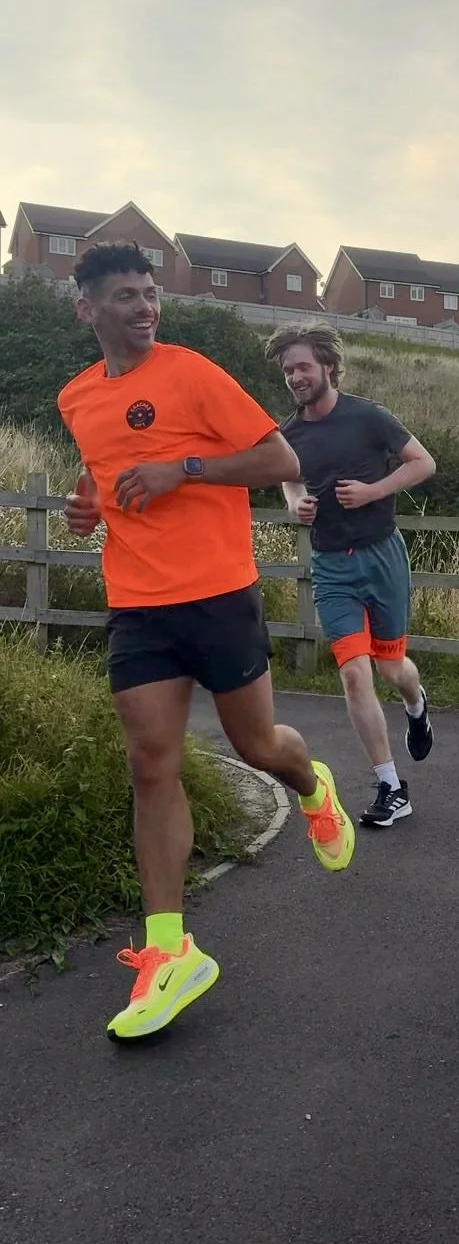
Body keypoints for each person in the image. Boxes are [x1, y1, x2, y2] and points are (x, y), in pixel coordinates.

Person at [58, 242, 356, 1041]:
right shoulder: (77, 395)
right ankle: (170, 950)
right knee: (149, 761)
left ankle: (312, 785)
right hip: (138, 602)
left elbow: (278, 458)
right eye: (125, 295)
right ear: (87, 308)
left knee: (256, 744)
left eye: (150, 293)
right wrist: (86, 504)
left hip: (219, 593)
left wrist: (182, 468)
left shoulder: (191, 373)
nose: (144, 306)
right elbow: (99, 469)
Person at [263, 322, 436, 828]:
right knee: (354, 673)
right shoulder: (287, 434)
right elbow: (290, 481)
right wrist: (299, 506)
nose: (295, 376)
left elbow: (423, 463)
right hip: (331, 563)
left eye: (303, 366)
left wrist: (373, 491)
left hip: (381, 554)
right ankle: (390, 786)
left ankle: (416, 701)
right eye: (287, 369)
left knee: (390, 669)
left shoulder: (368, 417)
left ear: (329, 367)